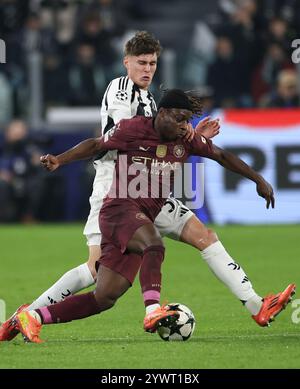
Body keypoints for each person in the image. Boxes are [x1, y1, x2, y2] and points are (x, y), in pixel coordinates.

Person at [12, 89, 296, 343]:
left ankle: (33, 318)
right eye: (180, 119)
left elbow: (222, 156)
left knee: (105, 296)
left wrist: (258, 178)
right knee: (154, 245)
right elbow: (96, 145)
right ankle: (152, 311)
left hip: (149, 211)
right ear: (162, 113)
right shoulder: (132, 128)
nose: (186, 126)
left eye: (188, 120)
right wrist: (60, 159)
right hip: (119, 209)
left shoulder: (187, 138)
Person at [0, 30, 220, 342]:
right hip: (114, 183)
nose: (147, 69)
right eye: (142, 62)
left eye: (153, 64)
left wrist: (194, 138)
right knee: (98, 266)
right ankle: (24, 318)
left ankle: (23, 319)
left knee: (101, 273)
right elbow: (118, 138)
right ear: (126, 63)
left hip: (136, 187)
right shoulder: (121, 89)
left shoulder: (147, 98)